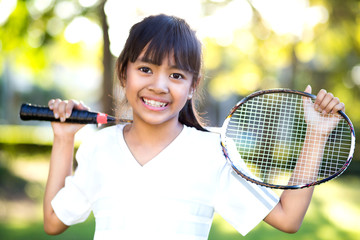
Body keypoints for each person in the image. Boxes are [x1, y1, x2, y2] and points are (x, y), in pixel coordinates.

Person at [43, 14, 345, 239]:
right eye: (145, 69)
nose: (159, 85)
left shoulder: (213, 152)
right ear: (123, 73)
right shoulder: (100, 147)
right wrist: (63, 138)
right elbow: (53, 221)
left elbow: (288, 218)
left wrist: (316, 133)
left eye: (176, 75)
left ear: (192, 86)